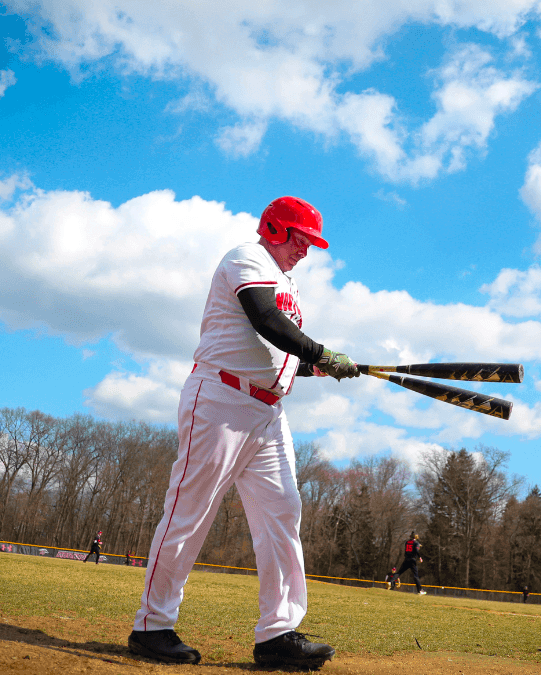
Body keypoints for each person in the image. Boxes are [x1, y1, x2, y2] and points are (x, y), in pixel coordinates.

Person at [128, 197, 357, 670]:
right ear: (274, 229)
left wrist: (321, 365)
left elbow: (280, 353)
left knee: (282, 514)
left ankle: (277, 633)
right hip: (220, 400)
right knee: (188, 512)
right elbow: (264, 320)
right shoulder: (245, 258)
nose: (306, 251)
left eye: (311, 243)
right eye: (301, 239)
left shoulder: (287, 281)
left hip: (269, 413)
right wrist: (322, 352)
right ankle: (152, 626)